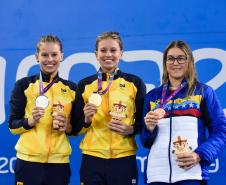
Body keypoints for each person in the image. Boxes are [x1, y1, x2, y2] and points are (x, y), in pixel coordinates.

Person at [140, 40, 226, 185]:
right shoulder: (153, 96)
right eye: (171, 58)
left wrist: (199, 155)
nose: (175, 62)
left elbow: (220, 131)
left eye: (181, 58)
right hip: (156, 176)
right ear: (165, 63)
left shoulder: (203, 92)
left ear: (189, 62)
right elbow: (146, 141)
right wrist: (149, 128)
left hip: (191, 175)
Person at [8, 35, 81, 185]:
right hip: (28, 163)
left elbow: (77, 129)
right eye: (44, 55)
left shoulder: (72, 89)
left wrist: (67, 126)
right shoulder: (23, 85)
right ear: (37, 57)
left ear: (61, 56)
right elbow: (12, 125)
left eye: (54, 54)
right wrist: (30, 121)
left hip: (59, 164)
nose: (50, 59)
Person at [77, 31, 146, 185]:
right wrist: (86, 120)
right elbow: (75, 128)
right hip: (92, 158)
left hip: (123, 158)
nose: (108, 54)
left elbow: (143, 121)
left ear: (121, 53)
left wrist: (131, 129)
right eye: (103, 50)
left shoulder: (134, 83)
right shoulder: (84, 85)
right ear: (96, 54)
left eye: (113, 50)